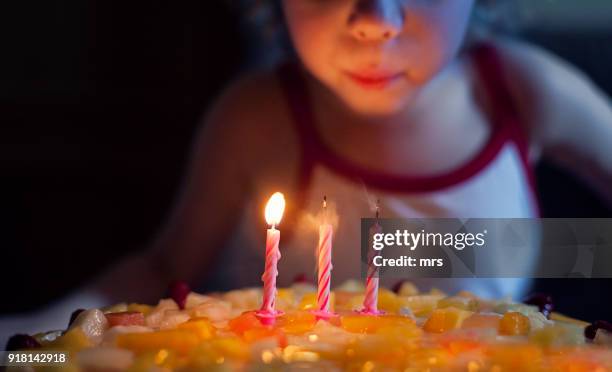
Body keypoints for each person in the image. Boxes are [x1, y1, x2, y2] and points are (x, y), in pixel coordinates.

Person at [3, 0, 612, 344]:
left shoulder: (524, 92)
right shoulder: (258, 119)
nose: (375, 18)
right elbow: (164, 270)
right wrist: (35, 339)